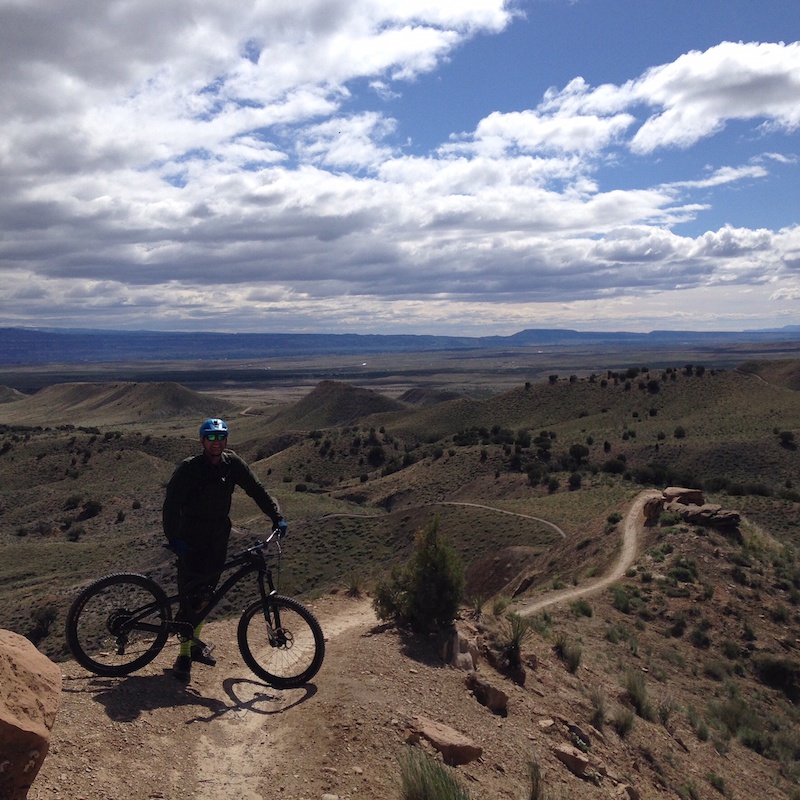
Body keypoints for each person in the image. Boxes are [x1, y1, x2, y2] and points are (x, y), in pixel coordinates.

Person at [162, 417, 285, 682]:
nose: (216, 443)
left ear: (226, 441)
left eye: (220, 438)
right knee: (190, 595)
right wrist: (175, 539)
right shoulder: (189, 468)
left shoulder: (233, 465)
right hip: (190, 537)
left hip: (218, 537)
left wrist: (276, 516)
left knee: (207, 594)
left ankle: (194, 645)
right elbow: (171, 505)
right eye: (211, 438)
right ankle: (183, 656)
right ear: (202, 441)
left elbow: (257, 490)